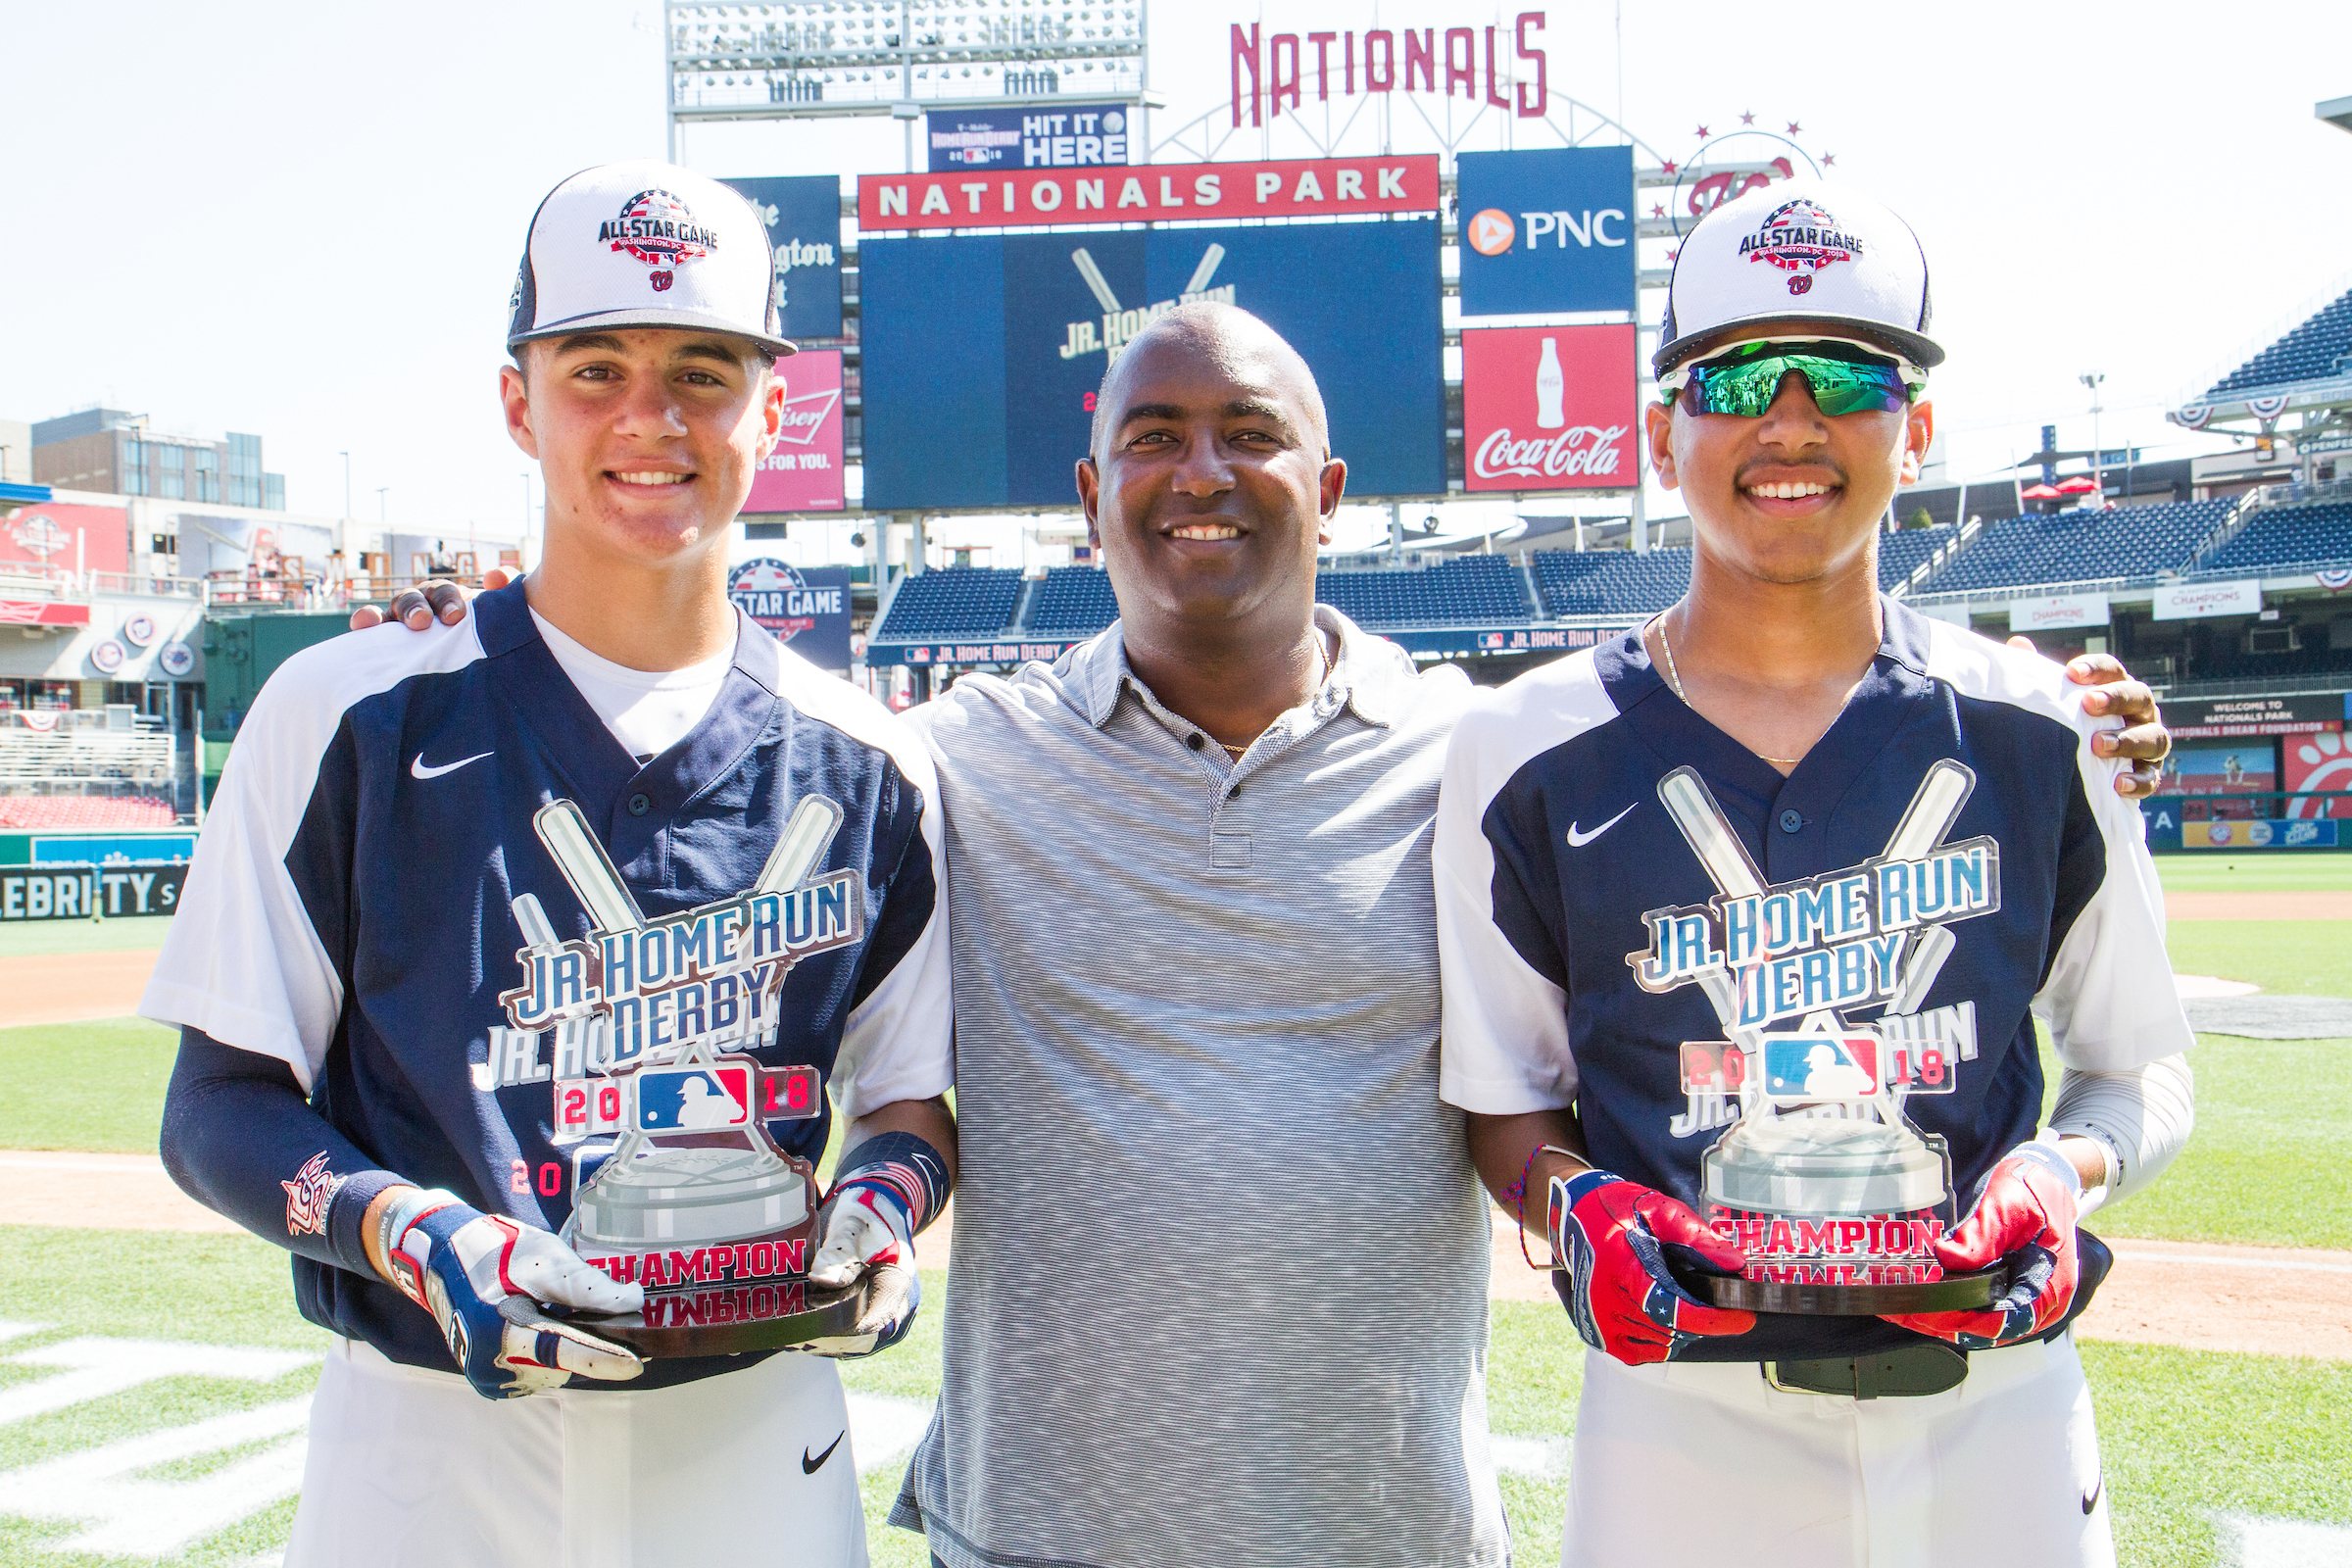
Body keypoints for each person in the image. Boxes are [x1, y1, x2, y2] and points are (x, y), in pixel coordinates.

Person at [374, 313, 2178, 1568]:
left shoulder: (1486, 754)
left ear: (1331, 495)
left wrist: (2058, 712)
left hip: (1387, 1525)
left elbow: (1719, 737)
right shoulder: (948, 762)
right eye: (1148, 438)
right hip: (1040, 1525)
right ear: (1088, 502)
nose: (1198, 473)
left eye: (1249, 436)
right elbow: (703, 767)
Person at [148, 160, 956, 1568]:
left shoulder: (870, 760)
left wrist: (884, 1213)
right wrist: (413, 1236)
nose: (651, 417)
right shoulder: (345, 714)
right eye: (596, 368)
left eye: (705, 370)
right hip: (424, 1455)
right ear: (518, 402)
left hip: (756, 1440)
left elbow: (906, 1104)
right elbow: (217, 1104)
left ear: (777, 408)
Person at [1433, 178, 2195, 1568]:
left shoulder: (2045, 728)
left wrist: (2059, 1173)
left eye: (1850, 372)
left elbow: (2141, 1069)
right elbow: (1507, 1104)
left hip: (1999, 1416)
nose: (1791, 419)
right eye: (1733, 378)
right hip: (1677, 1422)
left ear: (1916, 427)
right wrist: (1573, 1199)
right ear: (1665, 433)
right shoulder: (1520, 746)